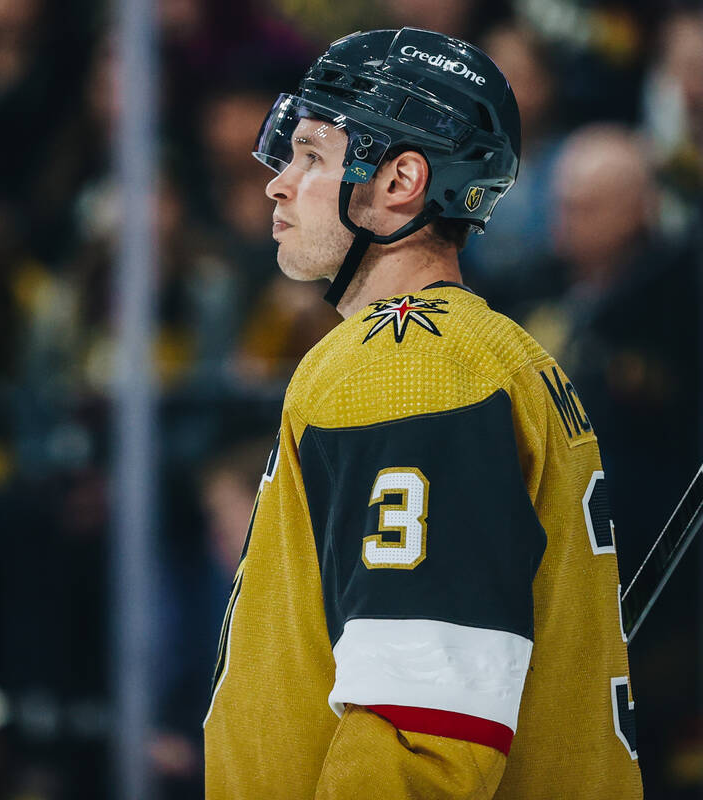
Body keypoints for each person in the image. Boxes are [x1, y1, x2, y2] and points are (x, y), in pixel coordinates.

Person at [202, 28, 642, 799]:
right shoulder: (489, 352)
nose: (278, 182)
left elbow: (425, 724)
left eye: (312, 155)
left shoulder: (409, 363)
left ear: (401, 178)